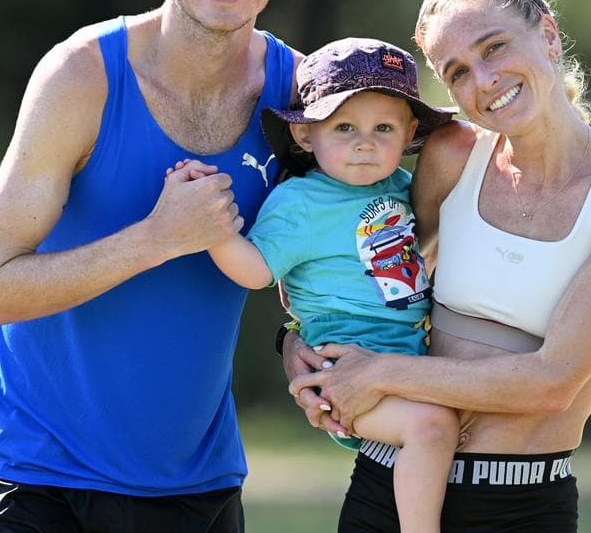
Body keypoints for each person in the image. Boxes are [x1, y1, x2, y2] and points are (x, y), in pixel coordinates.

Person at [0, 0, 302, 532]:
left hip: (194, 486)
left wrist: (300, 342)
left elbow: (314, 258)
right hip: (36, 479)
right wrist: (156, 239)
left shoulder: (298, 93)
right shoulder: (81, 78)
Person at [283, 0, 591, 531]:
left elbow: (551, 382)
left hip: (518, 507)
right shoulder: (452, 156)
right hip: (387, 486)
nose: (485, 80)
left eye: (494, 47)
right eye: (458, 73)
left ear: (547, 33)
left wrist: (376, 373)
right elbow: (368, 272)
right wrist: (299, 342)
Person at [171, 38, 458, 533]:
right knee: (431, 428)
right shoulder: (300, 201)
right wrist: (214, 228)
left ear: (410, 133)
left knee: (448, 421)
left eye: (383, 128)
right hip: (344, 363)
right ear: (305, 136)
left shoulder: (402, 187)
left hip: (408, 356)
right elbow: (256, 269)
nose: (364, 142)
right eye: (344, 127)